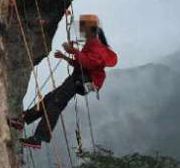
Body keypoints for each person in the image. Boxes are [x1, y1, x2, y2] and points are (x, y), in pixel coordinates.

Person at [8, 14, 118, 149]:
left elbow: (88, 63)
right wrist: (65, 57)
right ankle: (23, 120)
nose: (81, 31)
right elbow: (80, 64)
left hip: (83, 80)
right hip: (80, 79)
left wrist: (73, 50)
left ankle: (38, 138)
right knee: (50, 99)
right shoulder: (92, 44)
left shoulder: (97, 45)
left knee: (56, 102)